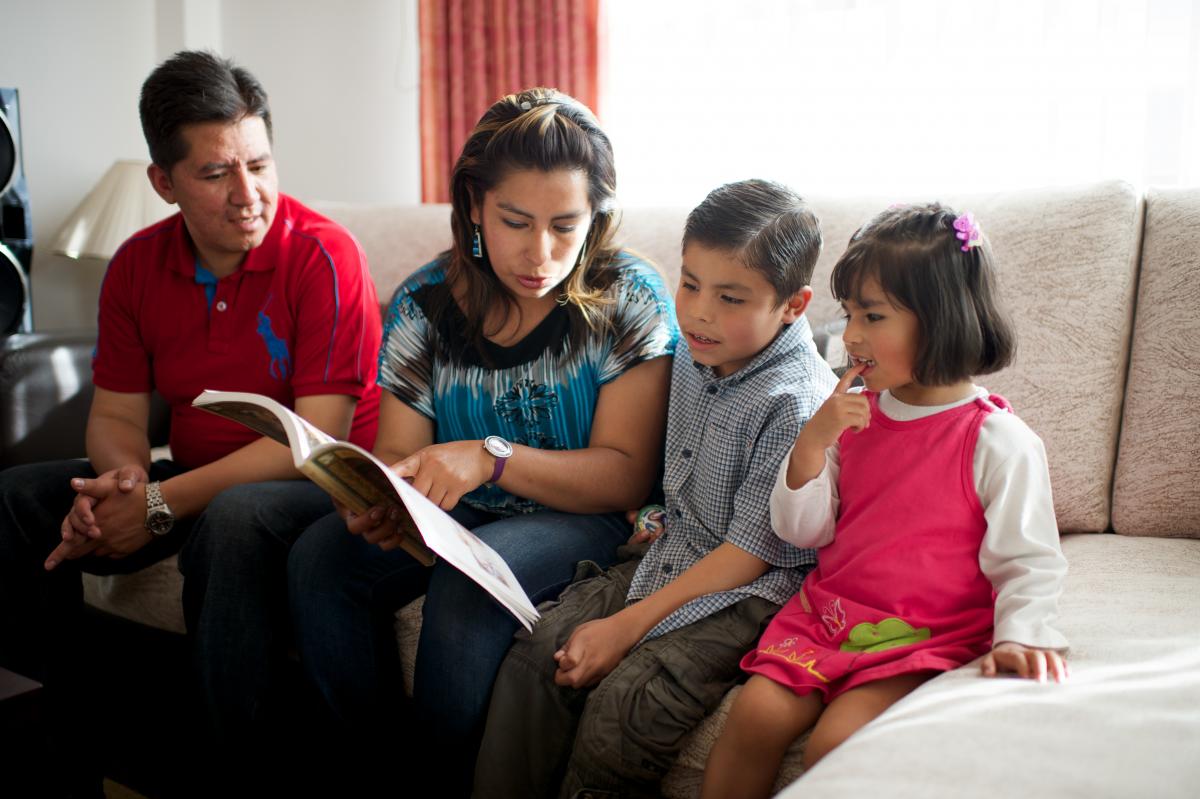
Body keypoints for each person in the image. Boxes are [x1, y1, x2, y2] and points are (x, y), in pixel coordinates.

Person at [0, 50, 382, 797]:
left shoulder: (323, 256)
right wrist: (125, 478)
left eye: (260, 165)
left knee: (236, 519)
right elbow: (115, 411)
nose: (249, 194)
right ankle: (71, 746)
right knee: (17, 500)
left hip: (313, 484)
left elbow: (315, 439)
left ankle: (237, 774)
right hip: (192, 479)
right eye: (216, 174)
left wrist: (157, 505)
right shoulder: (138, 265)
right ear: (163, 182)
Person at [286, 87, 677, 795]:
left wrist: (490, 455)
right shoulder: (424, 302)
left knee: (471, 587)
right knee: (321, 556)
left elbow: (622, 476)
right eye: (516, 222)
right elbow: (404, 456)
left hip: (580, 513)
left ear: (597, 216)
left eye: (566, 225)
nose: (541, 252)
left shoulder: (632, 298)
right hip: (459, 513)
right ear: (473, 205)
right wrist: (384, 502)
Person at [473, 179, 839, 799]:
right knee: (539, 658)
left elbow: (749, 553)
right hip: (674, 549)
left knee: (627, 707)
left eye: (730, 297)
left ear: (793, 305)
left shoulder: (798, 402)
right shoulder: (696, 352)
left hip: (750, 588)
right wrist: (649, 514)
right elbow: (671, 480)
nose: (697, 311)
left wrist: (625, 628)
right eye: (690, 283)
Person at [701, 204, 1070, 799]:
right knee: (754, 718)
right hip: (831, 618)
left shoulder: (998, 441)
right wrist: (811, 444)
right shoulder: (851, 418)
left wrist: (1021, 635)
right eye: (849, 315)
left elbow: (1028, 560)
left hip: (923, 632)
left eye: (872, 317)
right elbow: (804, 531)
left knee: (836, 742)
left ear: (941, 320)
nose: (850, 337)